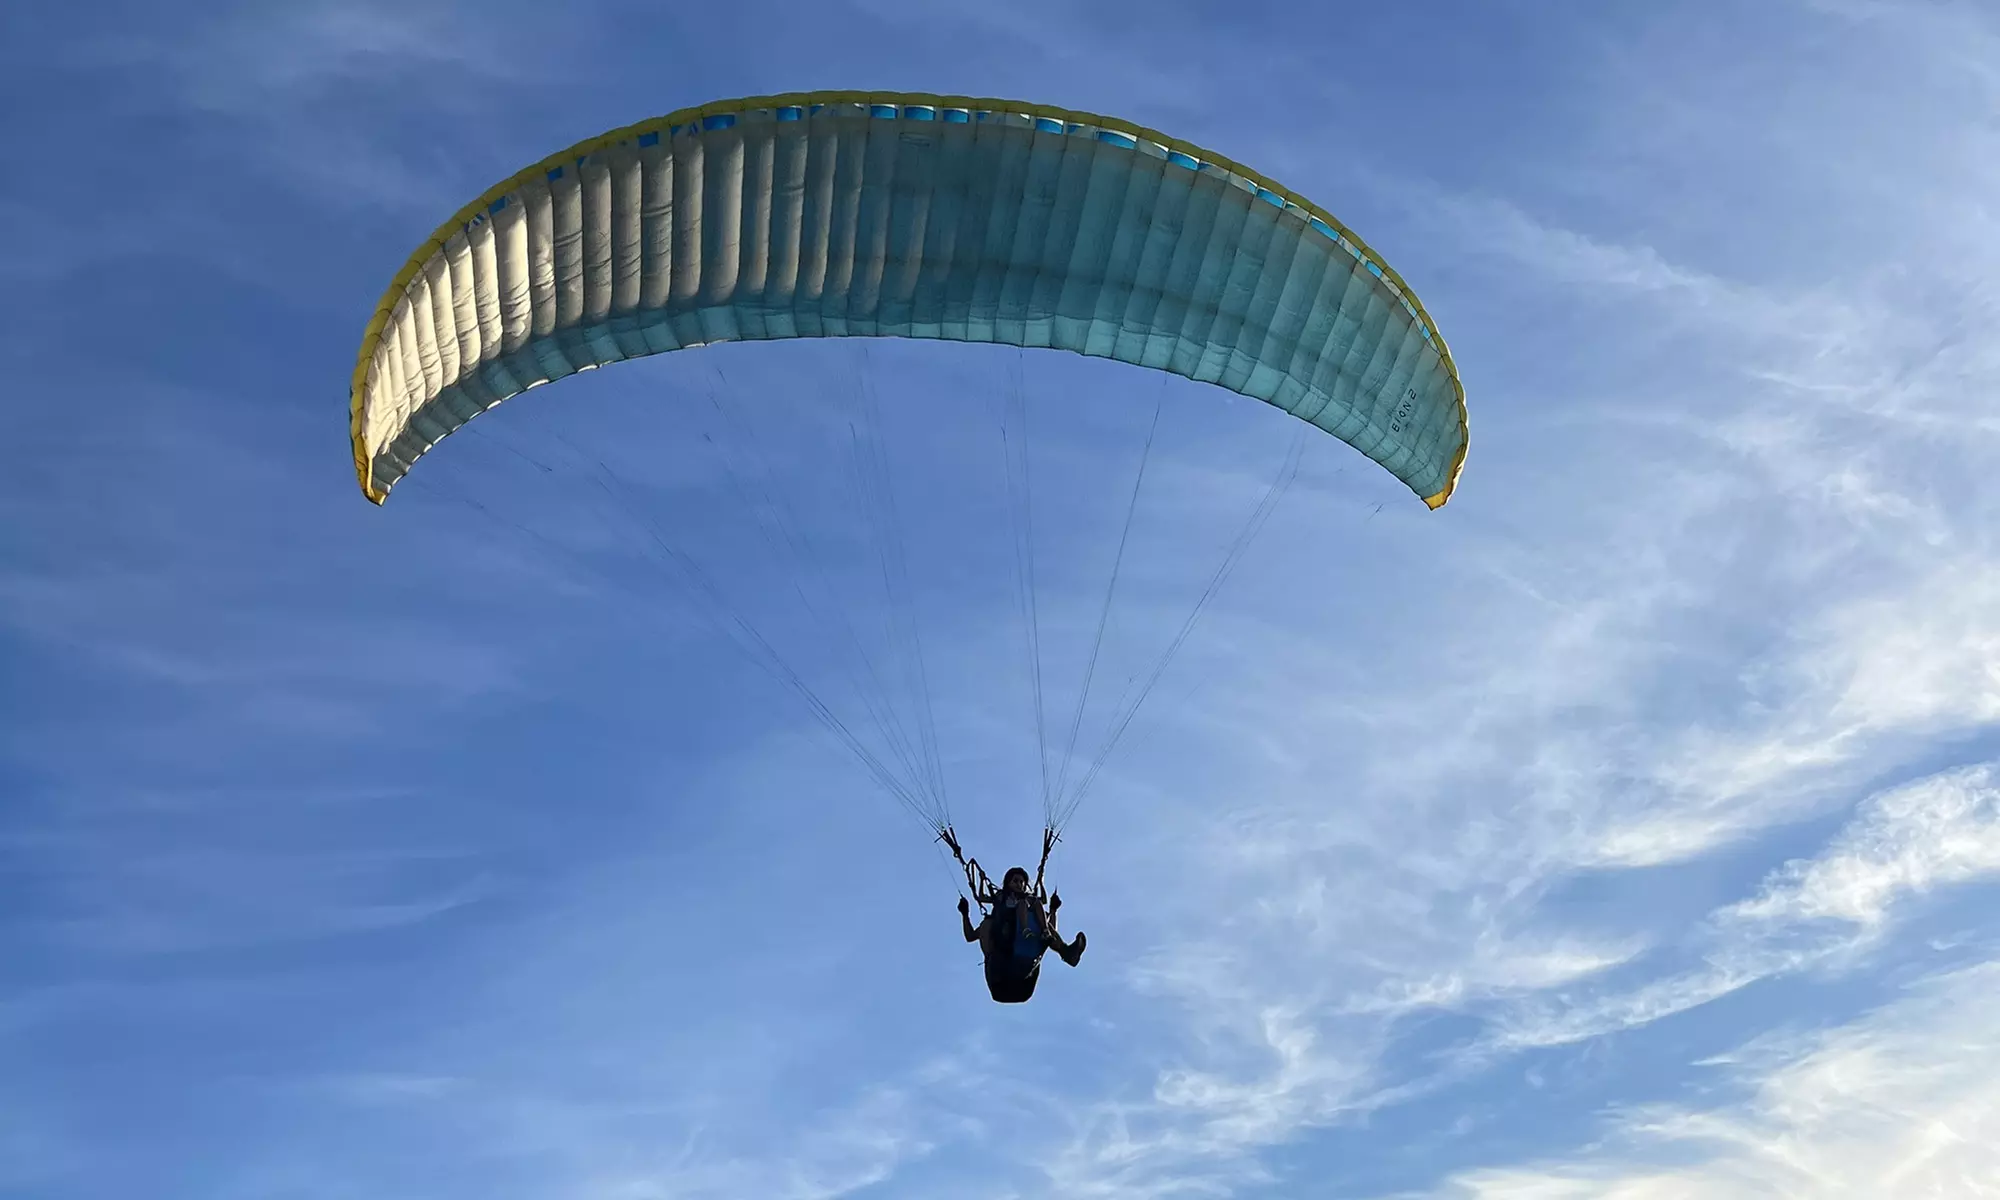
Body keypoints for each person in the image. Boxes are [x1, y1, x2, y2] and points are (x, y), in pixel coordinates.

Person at [958, 865, 1086, 1003]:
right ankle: (993, 956)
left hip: (1023, 979)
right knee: (987, 923)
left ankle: (1067, 953)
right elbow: (970, 936)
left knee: (1041, 925)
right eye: (1015, 881)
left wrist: (1053, 911)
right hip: (999, 973)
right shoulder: (997, 916)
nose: (1019, 884)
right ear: (1008, 883)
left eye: (1021, 882)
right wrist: (965, 914)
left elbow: (1049, 933)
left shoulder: (1030, 907)